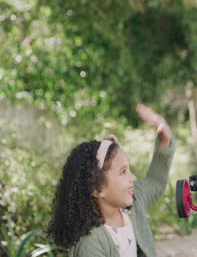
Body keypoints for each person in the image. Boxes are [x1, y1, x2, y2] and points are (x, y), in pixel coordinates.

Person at [47, 104, 175, 256]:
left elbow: (155, 181)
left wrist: (162, 132)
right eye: (123, 172)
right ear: (97, 188)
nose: (133, 178)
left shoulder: (134, 203)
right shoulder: (90, 244)